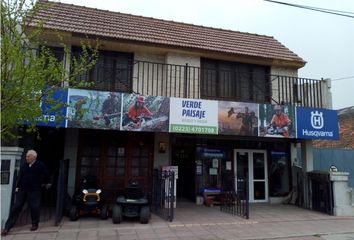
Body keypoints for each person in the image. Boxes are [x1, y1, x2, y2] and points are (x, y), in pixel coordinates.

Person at [1, 150, 51, 236]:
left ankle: (34, 223)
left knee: (34, 207)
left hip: (34, 189)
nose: (26, 157)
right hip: (22, 189)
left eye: (28, 156)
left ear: (34, 157)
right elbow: (20, 176)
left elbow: (46, 175)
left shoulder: (40, 165)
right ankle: (7, 227)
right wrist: (17, 186)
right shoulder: (24, 165)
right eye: (27, 156)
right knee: (16, 207)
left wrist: (47, 183)